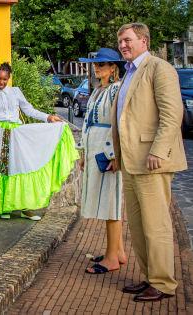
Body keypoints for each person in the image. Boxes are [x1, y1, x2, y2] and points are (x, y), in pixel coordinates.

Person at [113, 22, 187, 302]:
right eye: (121, 41)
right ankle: (149, 277)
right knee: (138, 226)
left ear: (144, 40)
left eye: (128, 40)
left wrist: (158, 150)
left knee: (156, 226)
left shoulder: (160, 68)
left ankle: (164, 283)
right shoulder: (128, 74)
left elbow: (171, 114)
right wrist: (118, 156)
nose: (123, 45)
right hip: (131, 162)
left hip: (152, 161)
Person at [0, 60, 63, 220]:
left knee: (20, 167)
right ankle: (4, 206)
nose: (1, 82)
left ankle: (25, 207)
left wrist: (48, 117)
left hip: (17, 134)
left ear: (9, 78)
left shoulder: (16, 92)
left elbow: (28, 109)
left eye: (5, 79)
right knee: (3, 169)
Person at [75, 48, 127, 274]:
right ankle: (119, 251)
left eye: (102, 65)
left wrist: (116, 155)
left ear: (113, 67)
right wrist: (84, 151)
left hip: (107, 152)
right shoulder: (98, 90)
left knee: (111, 203)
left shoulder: (117, 91)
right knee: (106, 201)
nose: (97, 68)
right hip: (94, 148)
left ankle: (111, 258)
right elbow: (88, 123)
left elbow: (121, 124)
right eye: (96, 65)